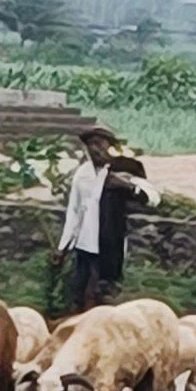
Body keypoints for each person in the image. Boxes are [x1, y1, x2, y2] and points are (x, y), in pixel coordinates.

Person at [53, 125, 148, 315]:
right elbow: (74, 211)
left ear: (108, 146)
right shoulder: (83, 174)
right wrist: (62, 247)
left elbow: (152, 196)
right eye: (90, 145)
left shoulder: (126, 169)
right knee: (78, 289)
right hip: (85, 243)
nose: (95, 149)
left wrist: (127, 186)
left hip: (109, 241)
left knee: (104, 290)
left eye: (99, 143)